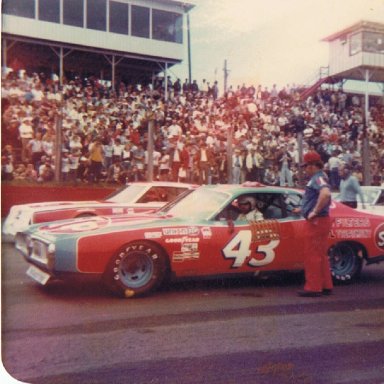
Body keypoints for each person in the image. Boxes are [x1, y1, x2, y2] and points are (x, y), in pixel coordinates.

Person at [294, 151, 333, 297]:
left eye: (306, 166)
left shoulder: (318, 178)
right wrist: (303, 208)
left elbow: (326, 194)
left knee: (312, 255)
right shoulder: (321, 177)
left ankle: (313, 287)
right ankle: (325, 285)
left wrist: (314, 211)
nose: (305, 169)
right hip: (322, 221)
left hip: (316, 222)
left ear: (312, 166)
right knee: (321, 255)